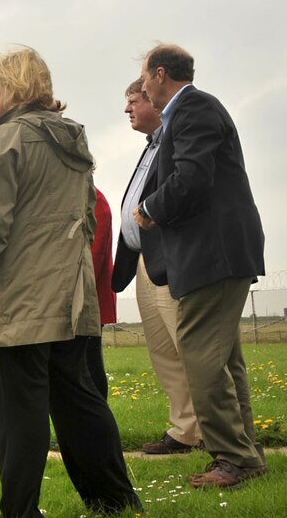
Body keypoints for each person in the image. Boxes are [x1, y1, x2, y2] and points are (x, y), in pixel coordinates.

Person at [0, 46, 142, 518]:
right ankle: (115, 503)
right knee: (80, 403)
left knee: (16, 412)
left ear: (12, 88)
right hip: (71, 297)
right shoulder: (73, 142)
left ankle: (19, 515)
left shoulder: (6, 140)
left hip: (19, 302)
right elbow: (85, 219)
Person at [133, 44, 266, 489]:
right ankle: (244, 452)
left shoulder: (192, 109)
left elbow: (190, 179)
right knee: (224, 359)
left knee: (201, 355)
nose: (143, 86)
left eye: (145, 78)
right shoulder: (191, 111)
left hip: (214, 253)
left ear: (160, 73)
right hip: (219, 251)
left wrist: (149, 207)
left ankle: (233, 458)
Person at [112, 78, 202, 454]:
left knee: (189, 347)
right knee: (163, 351)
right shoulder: (151, 146)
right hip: (145, 261)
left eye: (133, 100)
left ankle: (214, 431)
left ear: (152, 99)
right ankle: (185, 430)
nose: (127, 109)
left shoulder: (175, 140)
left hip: (171, 258)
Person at [86, 188, 116, 399]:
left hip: (89, 299)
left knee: (90, 363)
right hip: (77, 296)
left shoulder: (96, 201)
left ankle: (97, 417)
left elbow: (93, 257)